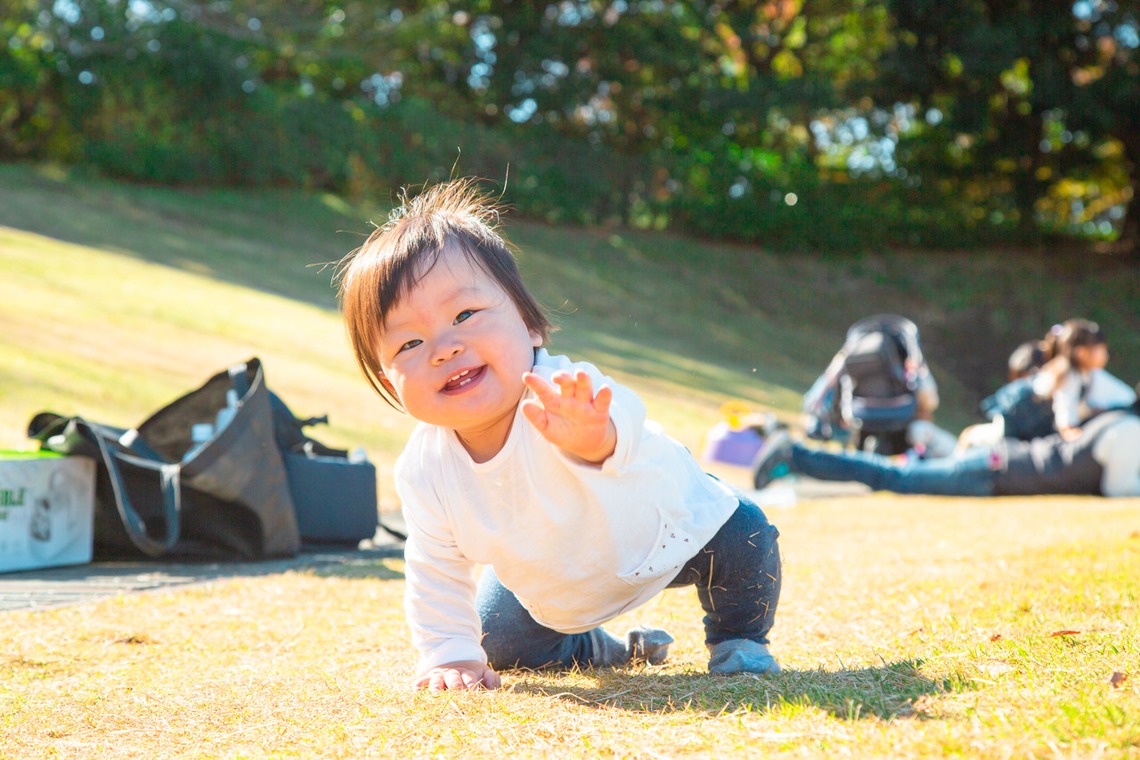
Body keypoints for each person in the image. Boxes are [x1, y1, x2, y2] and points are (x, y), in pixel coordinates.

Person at [335, 179, 782, 691]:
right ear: (389, 379)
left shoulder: (561, 394)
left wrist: (596, 439)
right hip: (561, 586)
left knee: (745, 534)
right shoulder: (425, 468)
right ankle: (597, 647)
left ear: (529, 325)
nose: (444, 347)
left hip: (668, 536)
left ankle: (737, 640)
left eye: (464, 315)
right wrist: (450, 653)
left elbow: (630, 426)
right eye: (410, 342)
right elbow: (434, 567)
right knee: (498, 641)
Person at [753, 409, 1140, 498]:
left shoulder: (1122, 423)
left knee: (894, 476)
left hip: (996, 468)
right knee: (893, 477)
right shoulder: (1129, 431)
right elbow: (1118, 487)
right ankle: (797, 455)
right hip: (993, 470)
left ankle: (798, 458)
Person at [1035, 319, 1136, 441]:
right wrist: (1069, 430)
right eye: (1101, 350)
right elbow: (1065, 414)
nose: (1106, 355)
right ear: (1081, 353)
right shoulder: (1067, 375)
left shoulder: (1088, 374)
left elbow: (1123, 396)